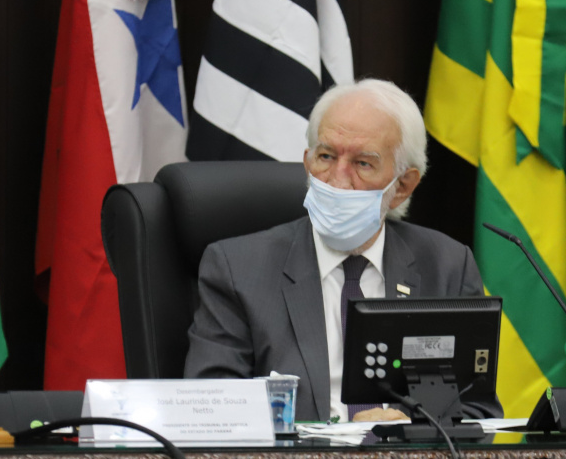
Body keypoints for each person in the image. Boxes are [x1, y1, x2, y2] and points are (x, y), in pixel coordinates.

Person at [183, 78, 502, 422]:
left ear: (403, 186)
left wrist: (411, 428)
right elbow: (211, 412)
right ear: (307, 162)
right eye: (326, 156)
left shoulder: (446, 266)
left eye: (363, 163)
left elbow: (475, 410)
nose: (337, 178)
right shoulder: (238, 269)